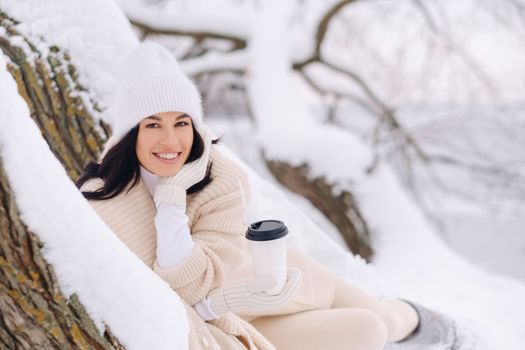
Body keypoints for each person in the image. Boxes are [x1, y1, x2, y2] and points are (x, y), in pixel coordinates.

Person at [77, 42, 457, 350]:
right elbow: (187, 290)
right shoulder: (104, 202)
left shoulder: (222, 177)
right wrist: (172, 199)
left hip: (275, 277)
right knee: (368, 329)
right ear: (130, 134)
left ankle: (431, 326)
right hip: (231, 318)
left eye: (182, 123)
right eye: (153, 125)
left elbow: (230, 253)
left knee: (384, 317)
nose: (171, 140)